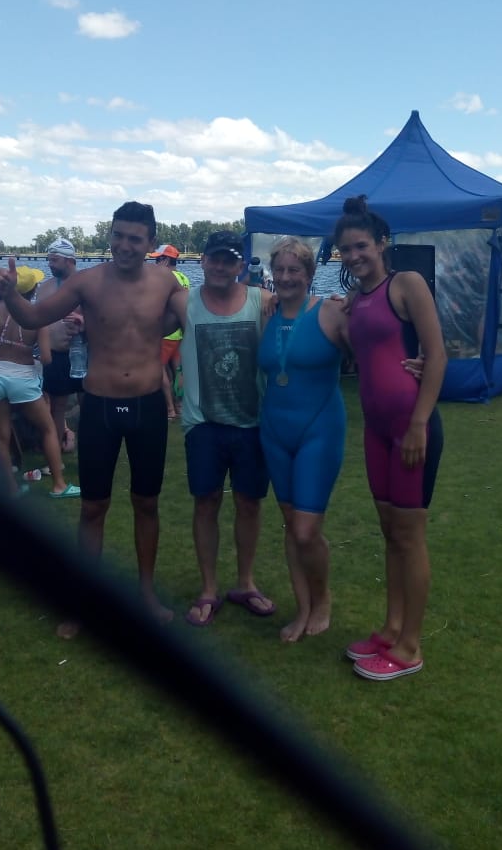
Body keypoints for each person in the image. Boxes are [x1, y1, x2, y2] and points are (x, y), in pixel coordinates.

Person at [0, 203, 187, 634]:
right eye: (118, 235)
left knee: (146, 504)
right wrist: (10, 293)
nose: (124, 245)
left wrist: (261, 304)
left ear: (151, 243)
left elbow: (203, 318)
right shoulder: (88, 282)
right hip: (100, 406)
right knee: (93, 507)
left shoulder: (166, 282)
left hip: (148, 407)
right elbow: (34, 316)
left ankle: (146, 595)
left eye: (135, 238)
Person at [334, 196, 446, 682]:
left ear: (383, 243)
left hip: (410, 429)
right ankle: (392, 628)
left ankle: (410, 647)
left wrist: (419, 422)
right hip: (376, 430)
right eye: (345, 249)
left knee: (410, 534)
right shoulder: (355, 300)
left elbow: (437, 354)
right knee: (390, 531)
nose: (353, 255)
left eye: (361, 246)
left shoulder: (406, 284)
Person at [180, 230, 277, 627]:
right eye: (215, 258)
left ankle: (246, 583)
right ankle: (208, 588)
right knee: (206, 503)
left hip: (252, 422)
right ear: (203, 260)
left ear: (241, 264)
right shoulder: (182, 302)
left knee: (249, 503)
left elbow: (304, 312)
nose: (221, 266)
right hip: (203, 423)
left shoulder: (262, 301)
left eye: (230, 260)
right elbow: (133, 316)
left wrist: (340, 302)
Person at [258, 238, 350, 642]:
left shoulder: (331, 311)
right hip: (275, 431)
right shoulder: (266, 313)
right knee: (290, 524)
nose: (285, 277)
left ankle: (323, 598)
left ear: (310, 274)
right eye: (279, 269)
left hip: (319, 429)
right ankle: (302, 609)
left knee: (306, 531)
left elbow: (373, 350)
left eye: (294, 270)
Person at [0, 266, 80, 500]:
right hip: (22, 376)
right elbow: (46, 357)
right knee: (48, 429)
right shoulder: (36, 317)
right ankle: (58, 485)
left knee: (1, 436)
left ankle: (11, 489)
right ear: (33, 290)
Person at [36, 237, 83, 452]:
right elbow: (37, 320)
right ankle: (55, 451)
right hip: (56, 355)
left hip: (82, 353)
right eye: (49, 259)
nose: (50, 264)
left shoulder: (86, 285)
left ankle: (91, 447)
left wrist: (83, 321)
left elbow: (102, 317)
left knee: (88, 403)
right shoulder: (44, 288)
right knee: (57, 407)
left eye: (54, 260)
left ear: (69, 260)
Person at [151, 244, 190, 420]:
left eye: (157, 260)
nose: (155, 263)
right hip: (180, 333)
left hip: (166, 334)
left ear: (165, 260)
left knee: (159, 370)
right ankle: (180, 406)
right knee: (178, 370)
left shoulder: (163, 279)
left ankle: (169, 409)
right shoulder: (184, 278)